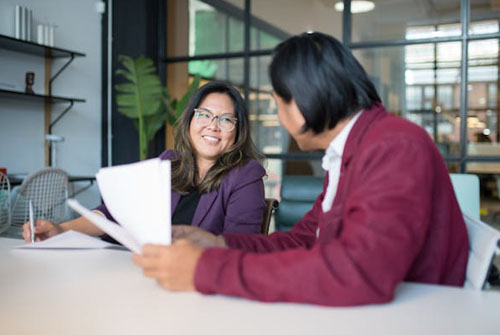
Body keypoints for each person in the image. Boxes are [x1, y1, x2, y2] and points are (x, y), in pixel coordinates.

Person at [132, 32, 469, 307]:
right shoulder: (352, 150)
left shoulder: (394, 146)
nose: (280, 118)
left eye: (278, 103)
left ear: (302, 104)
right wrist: (218, 244)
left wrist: (204, 269)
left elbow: (358, 274)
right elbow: (304, 240)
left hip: (413, 316)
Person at [23, 81, 267, 242]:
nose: (212, 126)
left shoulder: (246, 175)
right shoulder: (169, 163)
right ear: (190, 121)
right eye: (204, 115)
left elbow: (240, 245)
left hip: (198, 283)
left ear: (238, 130)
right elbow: (112, 213)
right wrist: (62, 231)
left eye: (226, 120)